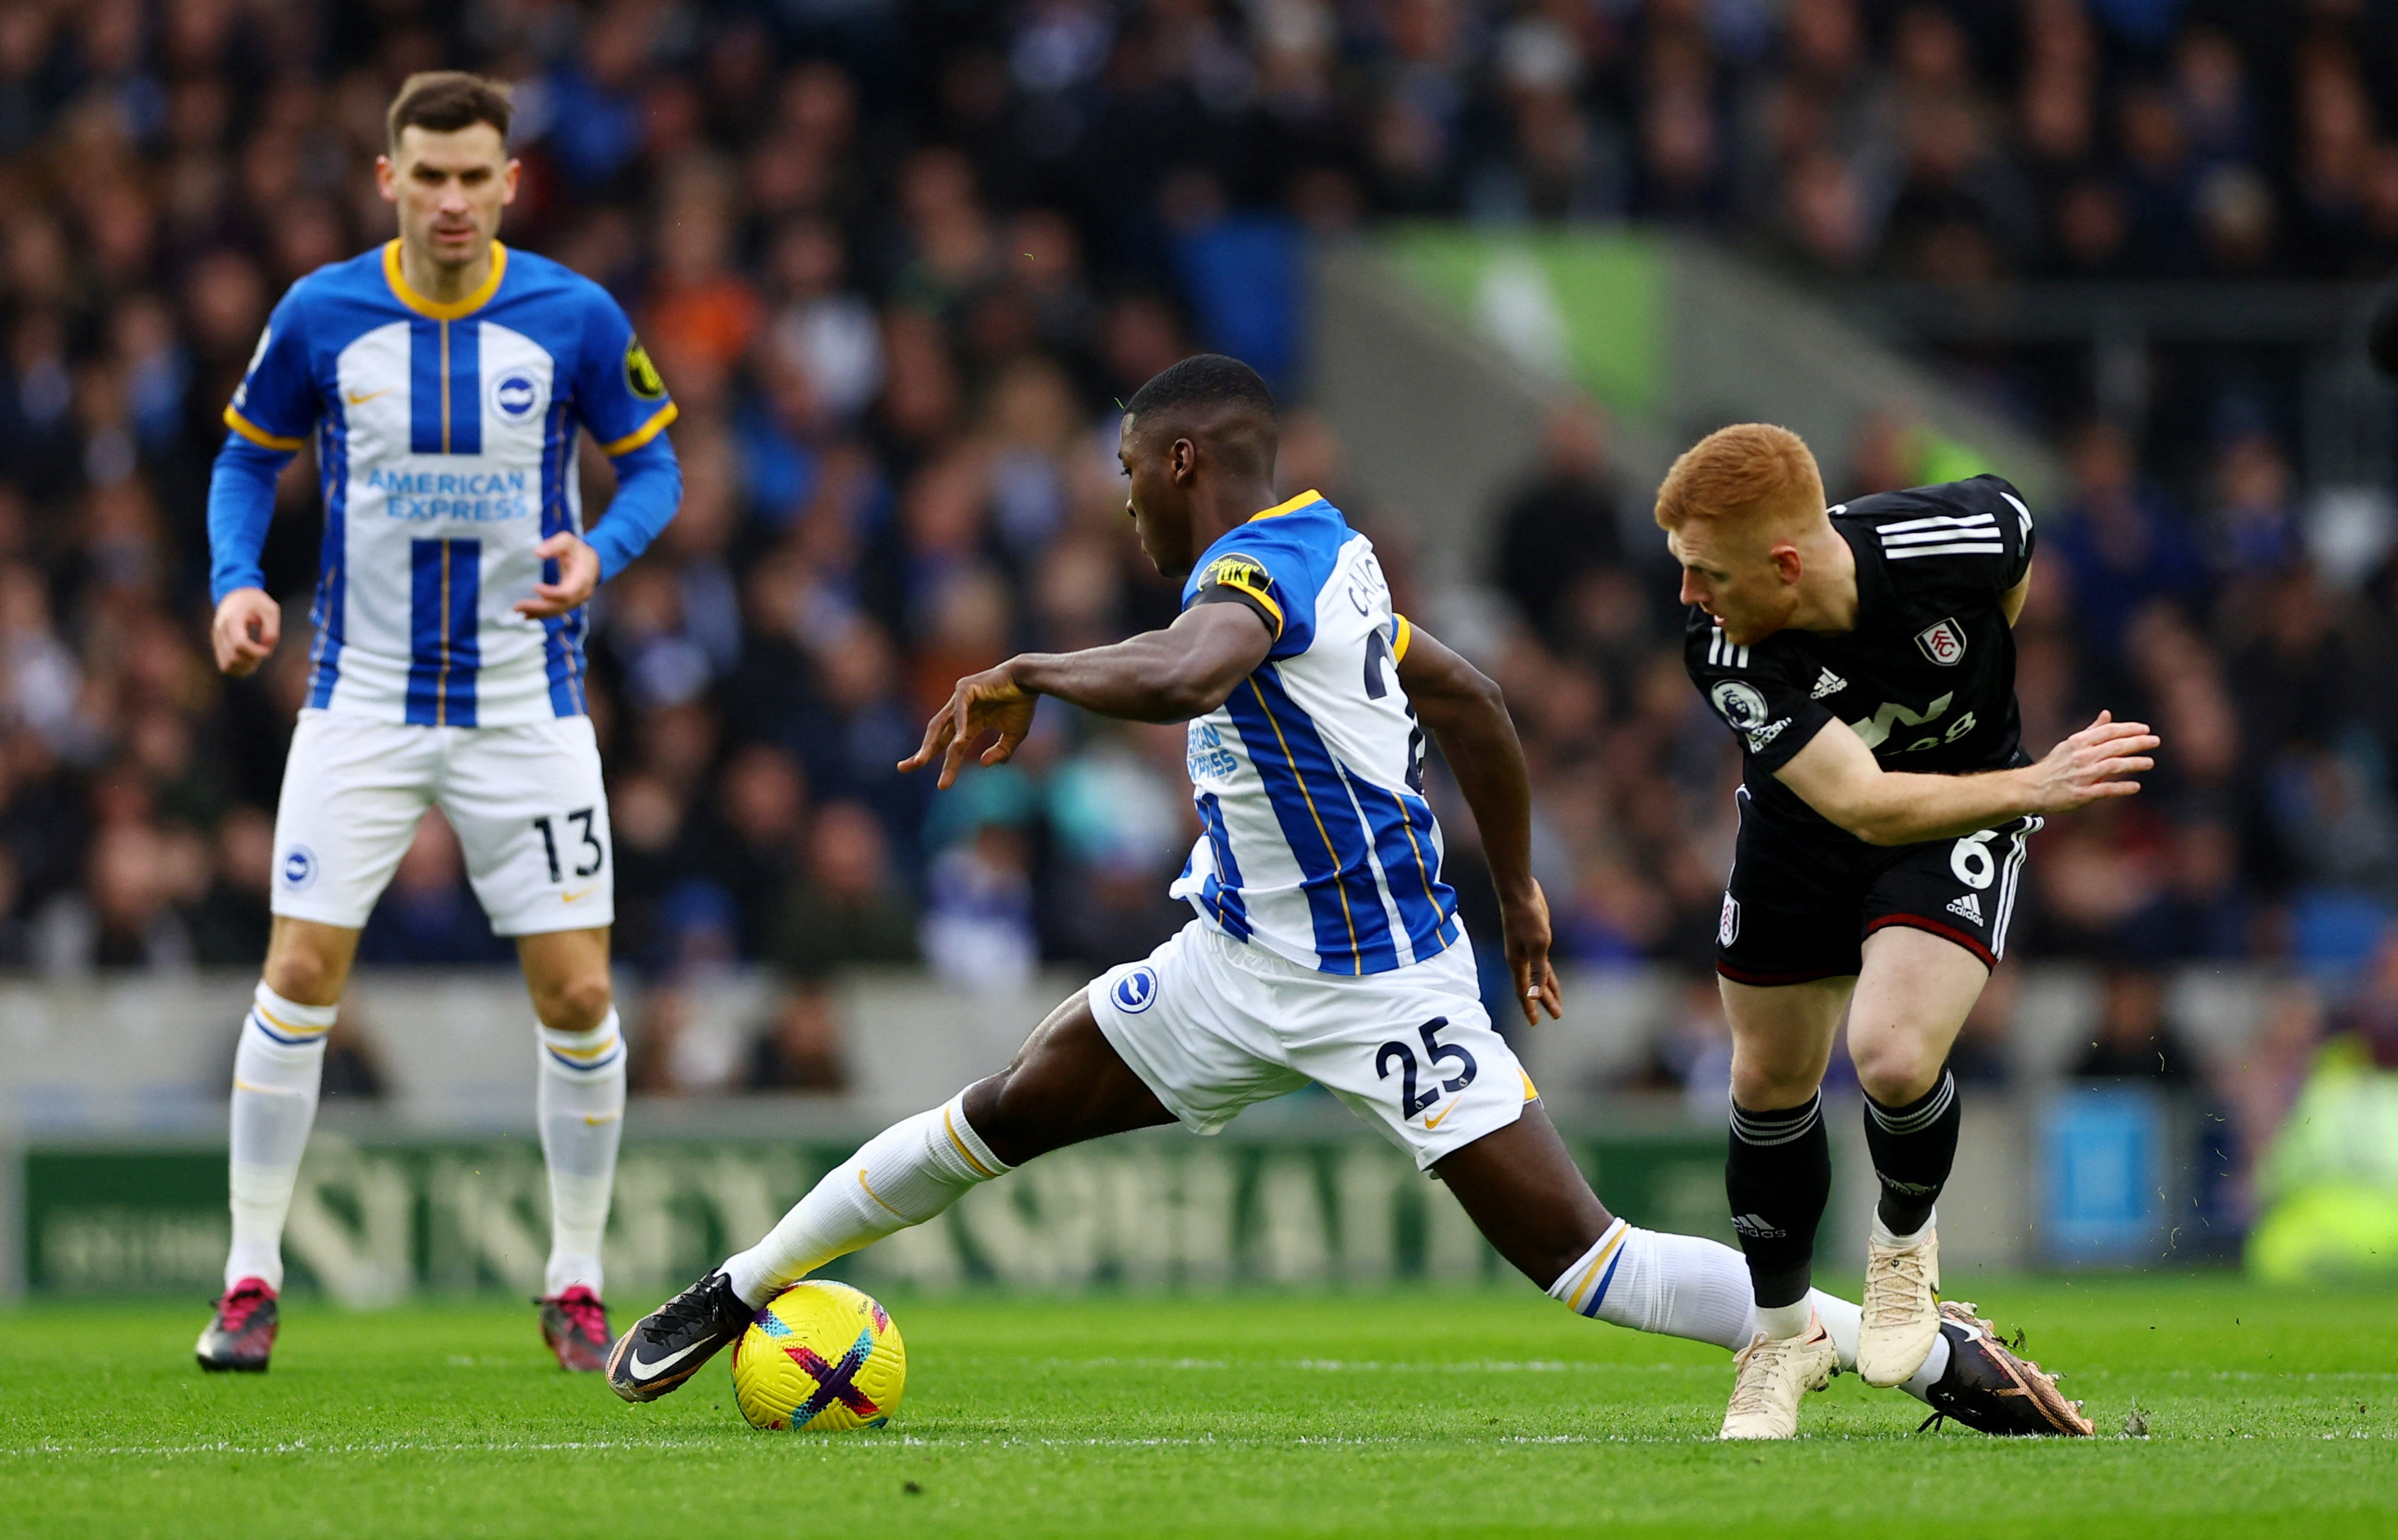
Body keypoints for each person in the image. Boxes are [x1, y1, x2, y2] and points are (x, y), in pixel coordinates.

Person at [605, 358, 2088, 1440]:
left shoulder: (1261, 569)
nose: (1120, 499)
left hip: (1384, 986)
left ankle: (1905, 1343)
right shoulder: (1340, 556)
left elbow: (1193, 671)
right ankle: (734, 1289)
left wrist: (1037, 669)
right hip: (1230, 964)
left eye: (1127, 469)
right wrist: (1516, 887)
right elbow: (1476, 701)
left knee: (1588, 1265)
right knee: (986, 1118)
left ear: (1182, 460)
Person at [194, 73, 683, 1374]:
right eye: (431, 176)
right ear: (388, 179)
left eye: (477, 176)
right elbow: (246, 455)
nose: (454, 199)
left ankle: (575, 1280)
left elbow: (656, 464)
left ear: (511, 182)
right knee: (298, 973)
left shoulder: (573, 314)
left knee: (578, 990)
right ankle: (249, 1277)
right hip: (362, 695)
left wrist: (602, 551)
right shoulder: (323, 312)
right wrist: (236, 580)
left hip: (527, 701)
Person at [1664, 422, 2150, 1435]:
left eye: (1705, 571)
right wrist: (2039, 782)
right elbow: (1864, 803)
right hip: (1809, 832)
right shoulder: (1721, 645)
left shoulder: (1956, 536)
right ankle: (1779, 1335)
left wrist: (1993, 772)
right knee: (1766, 1079)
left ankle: (1901, 1249)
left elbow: (2010, 555)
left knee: (1886, 1052)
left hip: (1960, 814)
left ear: (1785, 564)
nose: (1688, 596)